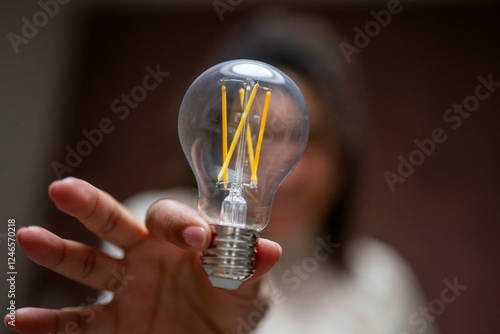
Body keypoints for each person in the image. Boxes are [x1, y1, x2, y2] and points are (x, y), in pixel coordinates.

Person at [5, 10, 438, 334]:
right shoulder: (151, 233)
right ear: (211, 139)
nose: (282, 165)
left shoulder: (381, 280)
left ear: (344, 153)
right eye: (257, 134)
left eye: (309, 137)